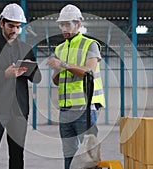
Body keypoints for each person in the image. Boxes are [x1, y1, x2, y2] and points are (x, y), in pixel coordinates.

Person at [0, 3, 41, 169]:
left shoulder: (26, 48)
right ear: (1, 23)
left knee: (17, 156)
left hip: (19, 110)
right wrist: (4, 74)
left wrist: (30, 70)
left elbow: (37, 78)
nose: (14, 30)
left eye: (18, 27)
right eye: (11, 26)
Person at [46, 4, 105, 169]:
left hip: (84, 109)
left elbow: (89, 72)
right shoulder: (60, 48)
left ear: (78, 25)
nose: (63, 28)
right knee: (68, 155)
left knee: (89, 155)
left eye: (67, 24)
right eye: (61, 24)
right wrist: (57, 71)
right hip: (65, 110)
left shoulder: (90, 45)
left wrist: (63, 64)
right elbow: (56, 81)